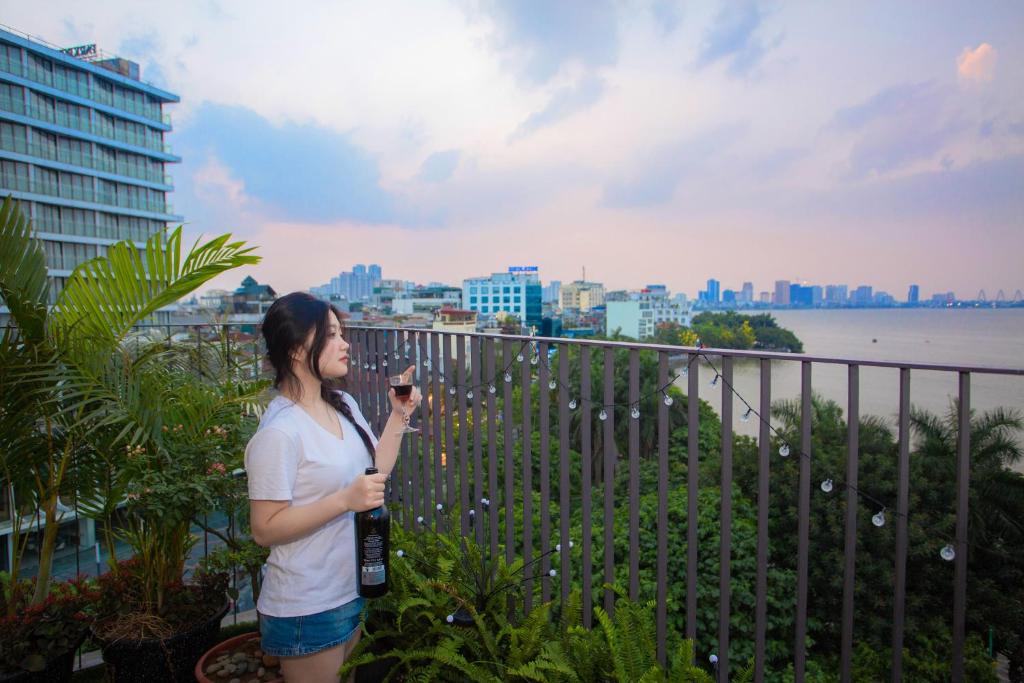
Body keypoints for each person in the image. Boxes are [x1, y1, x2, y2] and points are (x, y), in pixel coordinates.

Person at [245, 292, 421, 682]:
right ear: (295, 348)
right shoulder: (280, 432)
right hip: (307, 604)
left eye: (342, 333)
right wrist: (344, 500)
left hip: (349, 588)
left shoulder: (341, 403)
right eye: (331, 335)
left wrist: (399, 415)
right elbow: (264, 527)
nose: (345, 344)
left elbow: (374, 474)